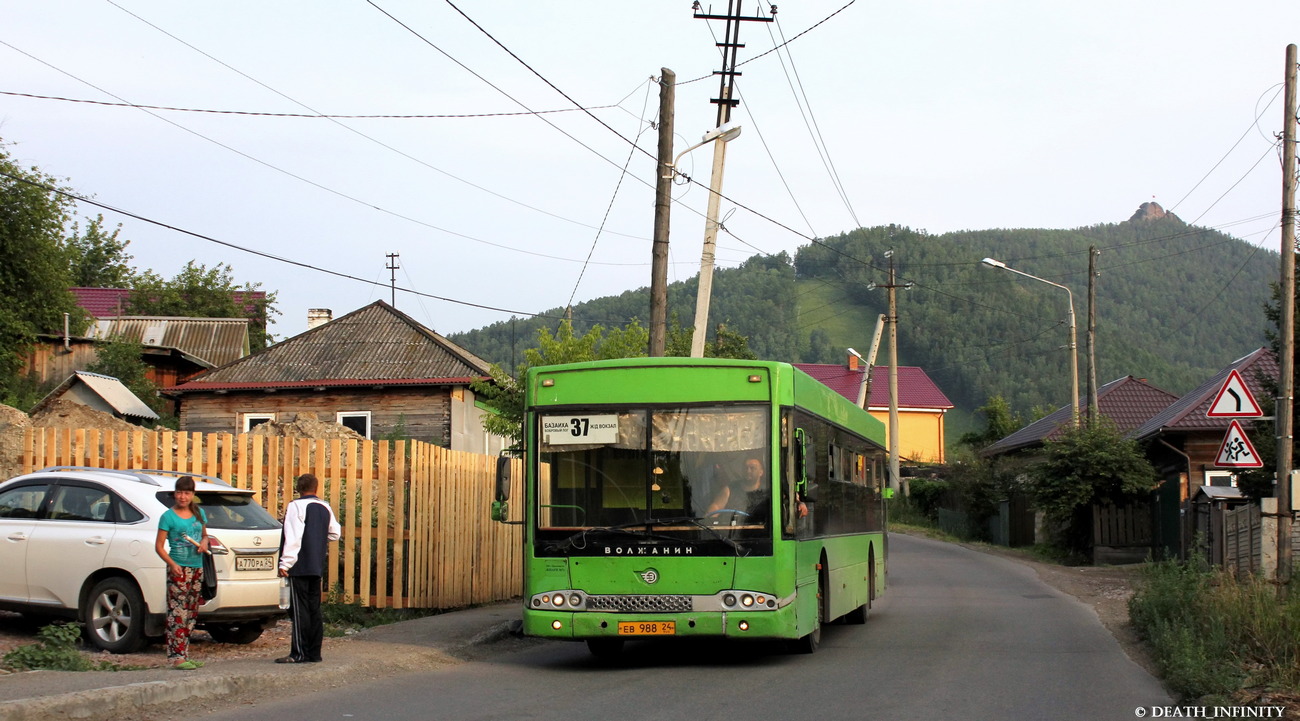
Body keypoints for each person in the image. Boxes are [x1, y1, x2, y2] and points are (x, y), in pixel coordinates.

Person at [276, 473, 341, 664]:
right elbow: (335, 533)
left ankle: (298, 653)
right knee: (314, 609)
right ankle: (314, 652)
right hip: (316, 565)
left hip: (299, 565)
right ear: (316, 487)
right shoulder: (325, 507)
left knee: (299, 610)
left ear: (298, 488)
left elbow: (293, 537)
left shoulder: (296, 506)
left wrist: (285, 563)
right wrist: (318, 540)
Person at [154, 476, 210, 670]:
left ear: (193, 494)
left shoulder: (199, 513)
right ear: (175, 494)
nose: (183, 497)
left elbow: (205, 536)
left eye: (187, 493)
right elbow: (159, 547)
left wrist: (204, 543)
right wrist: (172, 564)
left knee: (191, 612)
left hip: (197, 567)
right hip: (178, 567)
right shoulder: (168, 517)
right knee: (177, 612)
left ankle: (185, 653)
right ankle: (176, 657)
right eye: (179, 492)